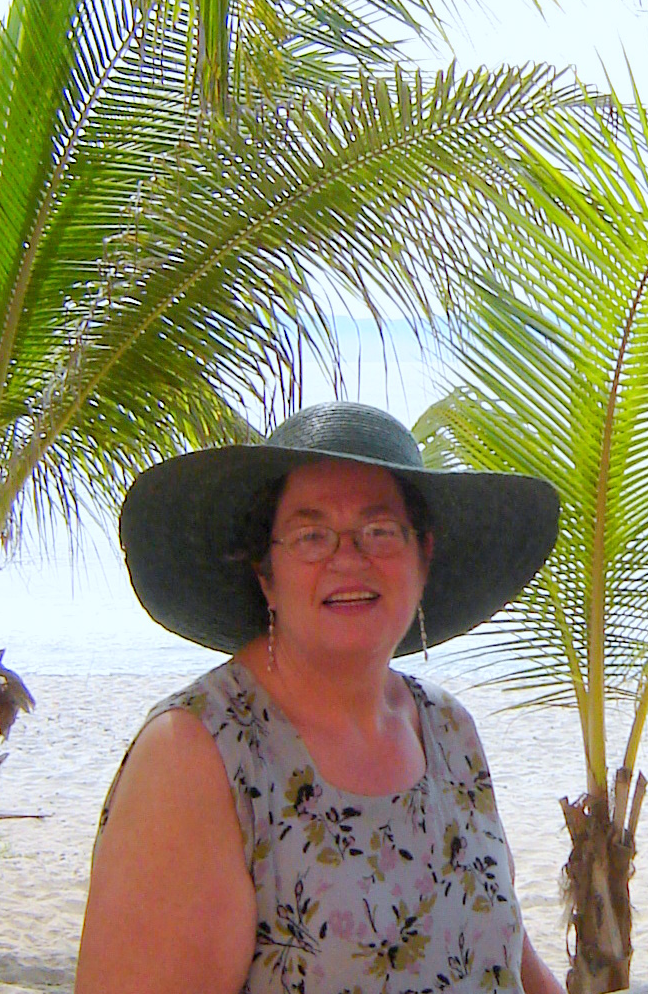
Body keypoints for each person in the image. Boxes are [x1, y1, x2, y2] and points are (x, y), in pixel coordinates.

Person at [76, 401, 566, 994]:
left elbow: (506, 955)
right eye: (311, 536)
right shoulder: (197, 754)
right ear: (266, 573)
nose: (349, 557)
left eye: (379, 531)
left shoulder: (447, 728)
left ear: (423, 556)